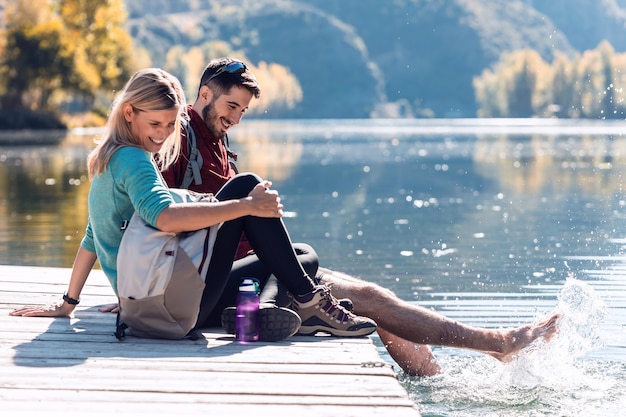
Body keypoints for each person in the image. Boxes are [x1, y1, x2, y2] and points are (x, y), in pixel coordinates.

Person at [161, 57, 560, 377]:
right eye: (231, 106)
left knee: (365, 295)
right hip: (220, 284)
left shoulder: (216, 140)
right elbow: (147, 214)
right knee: (369, 299)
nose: (236, 118)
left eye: (243, 110)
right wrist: (141, 283)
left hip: (254, 273)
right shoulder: (178, 139)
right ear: (205, 93)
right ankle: (498, 343)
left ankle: (439, 381)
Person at [9, 67, 377, 343]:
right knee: (247, 188)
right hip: (172, 306)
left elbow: (93, 236)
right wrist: (246, 205)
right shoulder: (134, 161)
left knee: (300, 254)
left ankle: (271, 308)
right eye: (156, 123)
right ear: (128, 114)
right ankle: (306, 302)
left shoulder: (107, 159)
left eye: (171, 126)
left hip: (148, 302)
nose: (164, 134)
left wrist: (68, 303)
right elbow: (166, 218)